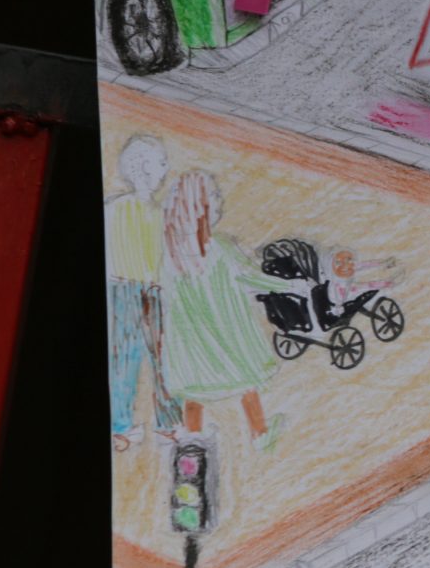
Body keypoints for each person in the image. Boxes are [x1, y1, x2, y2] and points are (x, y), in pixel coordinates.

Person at [159, 170, 294, 449]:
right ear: (200, 208)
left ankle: (192, 438)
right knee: (247, 384)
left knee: (194, 391)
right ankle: (260, 433)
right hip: (228, 332)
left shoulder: (171, 253)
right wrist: (289, 285)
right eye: (214, 197)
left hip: (191, 339)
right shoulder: (220, 246)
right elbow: (250, 276)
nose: (219, 202)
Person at [104, 135, 180, 450]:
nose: (163, 170)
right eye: (160, 164)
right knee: (127, 358)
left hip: (151, 290)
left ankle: (166, 423)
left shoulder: (160, 212)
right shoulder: (117, 208)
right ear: (144, 168)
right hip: (125, 289)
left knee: (162, 357)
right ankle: (123, 427)